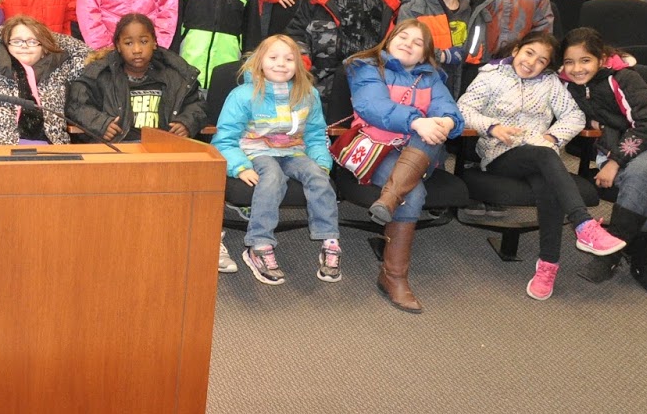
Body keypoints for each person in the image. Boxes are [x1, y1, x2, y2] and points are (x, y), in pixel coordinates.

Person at [456, 31, 604, 301]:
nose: (532, 62)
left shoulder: (550, 83)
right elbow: (463, 109)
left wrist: (553, 136)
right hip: (500, 153)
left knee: (547, 182)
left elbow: (574, 115)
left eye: (541, 60)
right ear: (516, 51)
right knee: (546, 158)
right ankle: (583, 224)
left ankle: (547, 265)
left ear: (547, 65)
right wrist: (491, 126)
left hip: (539, 152)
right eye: (529, 53)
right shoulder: (491, 76)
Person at [344, 19, 463, 312]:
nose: (408, 43)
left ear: (424, 55)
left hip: (418, 152)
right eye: (403, 36)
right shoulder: (366, 67)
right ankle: (394, 277)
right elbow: (372, 107)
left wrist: (447, 121)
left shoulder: (432, 76)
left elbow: (449, 110)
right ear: (389, 39)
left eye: (417, 42)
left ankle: (389, 199)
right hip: (376, 148)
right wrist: (417, 121)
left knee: (433, 131)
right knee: (416, 193)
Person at [212, 35, 343, 285]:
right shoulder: (243, 95)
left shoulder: (308, 94)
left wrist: (322, 162)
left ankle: (330, 240)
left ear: (298, 64)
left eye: (289, 59)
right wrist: (240, 167)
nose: (281, 64)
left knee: (317, 176)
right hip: (255, 151)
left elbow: (316, 134)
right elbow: (224, 140)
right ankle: (259, 244)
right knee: (272, 177)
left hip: (294, 152)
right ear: (260, 61)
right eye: (273, 58)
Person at [560, 29, 647, 298]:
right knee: (641, 189)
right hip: (610, 151)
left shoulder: (625, 79)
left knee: (637, 174)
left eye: (585, 60)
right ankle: (643, 265)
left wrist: (614, 162)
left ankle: (609, 254)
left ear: (601, 58)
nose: (577, 69)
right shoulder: (569, 83)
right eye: (570, 62)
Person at [285, 0, 399, 120]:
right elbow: (295, 36)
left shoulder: (387, 7)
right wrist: (302, 66)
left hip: (367, 89)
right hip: (317, 87)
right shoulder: (315, 1)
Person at [66, 12, 204, 142]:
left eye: (144, 41)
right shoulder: (101, 75)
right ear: (118, 46)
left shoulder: (175, 75)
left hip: (164, 152)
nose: (137, 50)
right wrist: (100, 124)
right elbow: (76, 104)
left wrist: (186, 123)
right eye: (128, 43)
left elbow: (198, 104)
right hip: (118, 153)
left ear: (155, 43)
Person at [0, 15, 87, 146]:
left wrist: (45, 35)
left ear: (44, 48)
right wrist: (7, 30)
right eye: (17, 41)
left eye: (33, 42)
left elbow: (84, 51)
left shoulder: (61, 69)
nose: (24, 46)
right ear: (7, 45)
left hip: (51, 147)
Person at [397, 0, 492, 94]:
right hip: (421, 86)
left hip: (464, 88)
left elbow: (479, 56)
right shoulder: (413, 7)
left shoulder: (476, 11)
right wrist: (442, 55)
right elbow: (402, 47)